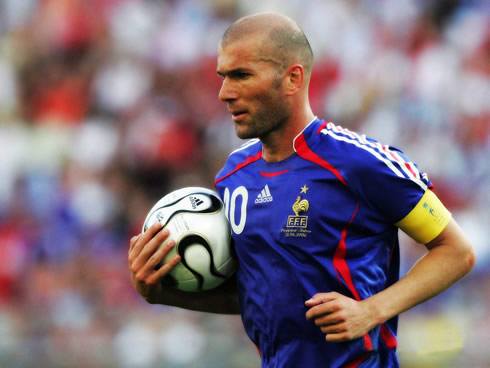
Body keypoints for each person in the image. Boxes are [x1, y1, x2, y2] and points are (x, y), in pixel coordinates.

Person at [128, 13, 476, 368]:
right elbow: (260, 297)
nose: (225, 93)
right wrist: (162, 293)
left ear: (292, 78)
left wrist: (370, 311)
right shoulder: (233, 176)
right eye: (223, 77)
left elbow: (456, 251)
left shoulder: (359, 163)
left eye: (241, 75)